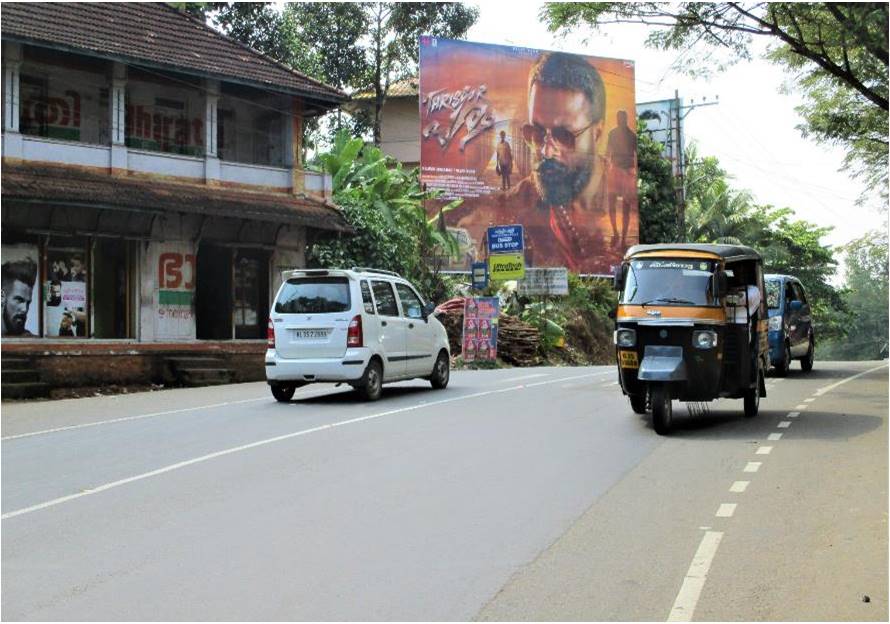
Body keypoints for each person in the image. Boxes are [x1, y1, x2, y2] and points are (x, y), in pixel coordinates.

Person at [457, 52, 609, 272]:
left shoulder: (624, 197)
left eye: (563, 136)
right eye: (536, 133)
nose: (545, 151)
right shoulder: (513, 207)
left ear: (597, 133)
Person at [606, 110, 637, 250]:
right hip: (616, 170)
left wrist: (634, 174)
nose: (620, 121)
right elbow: (608, 152)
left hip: (627, 172)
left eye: (622, 118)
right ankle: (616, 234)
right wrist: (607, 165)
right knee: (612, 203)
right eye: (619, 118)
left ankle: (623, 238)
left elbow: (636, 156)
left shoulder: (632, 136)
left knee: (625, 207)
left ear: (625, 120)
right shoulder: (612, 134)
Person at [1, 258, 37, 336]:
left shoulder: (30, 340)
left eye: (28, 303)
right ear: (2, 297)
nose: (25, 309)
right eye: (19, 300)